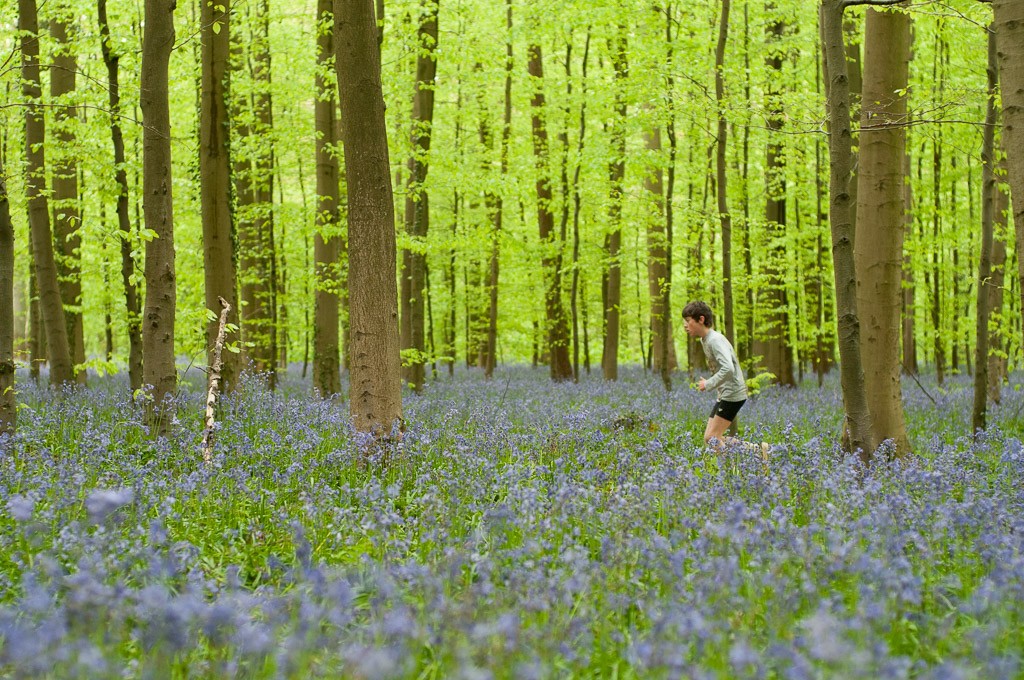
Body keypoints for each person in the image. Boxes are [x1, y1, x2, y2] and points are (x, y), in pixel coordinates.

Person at [682, 300, 768, 459]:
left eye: (688, 321)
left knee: (712, 438)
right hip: (725, 394)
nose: (685, 326)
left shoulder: (715, 340)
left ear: (701, 319)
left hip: (733, 395)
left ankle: (732, 469)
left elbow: (728, 368)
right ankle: (757, 451)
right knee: (711, 437)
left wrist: (708, 383)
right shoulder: (705, 339)